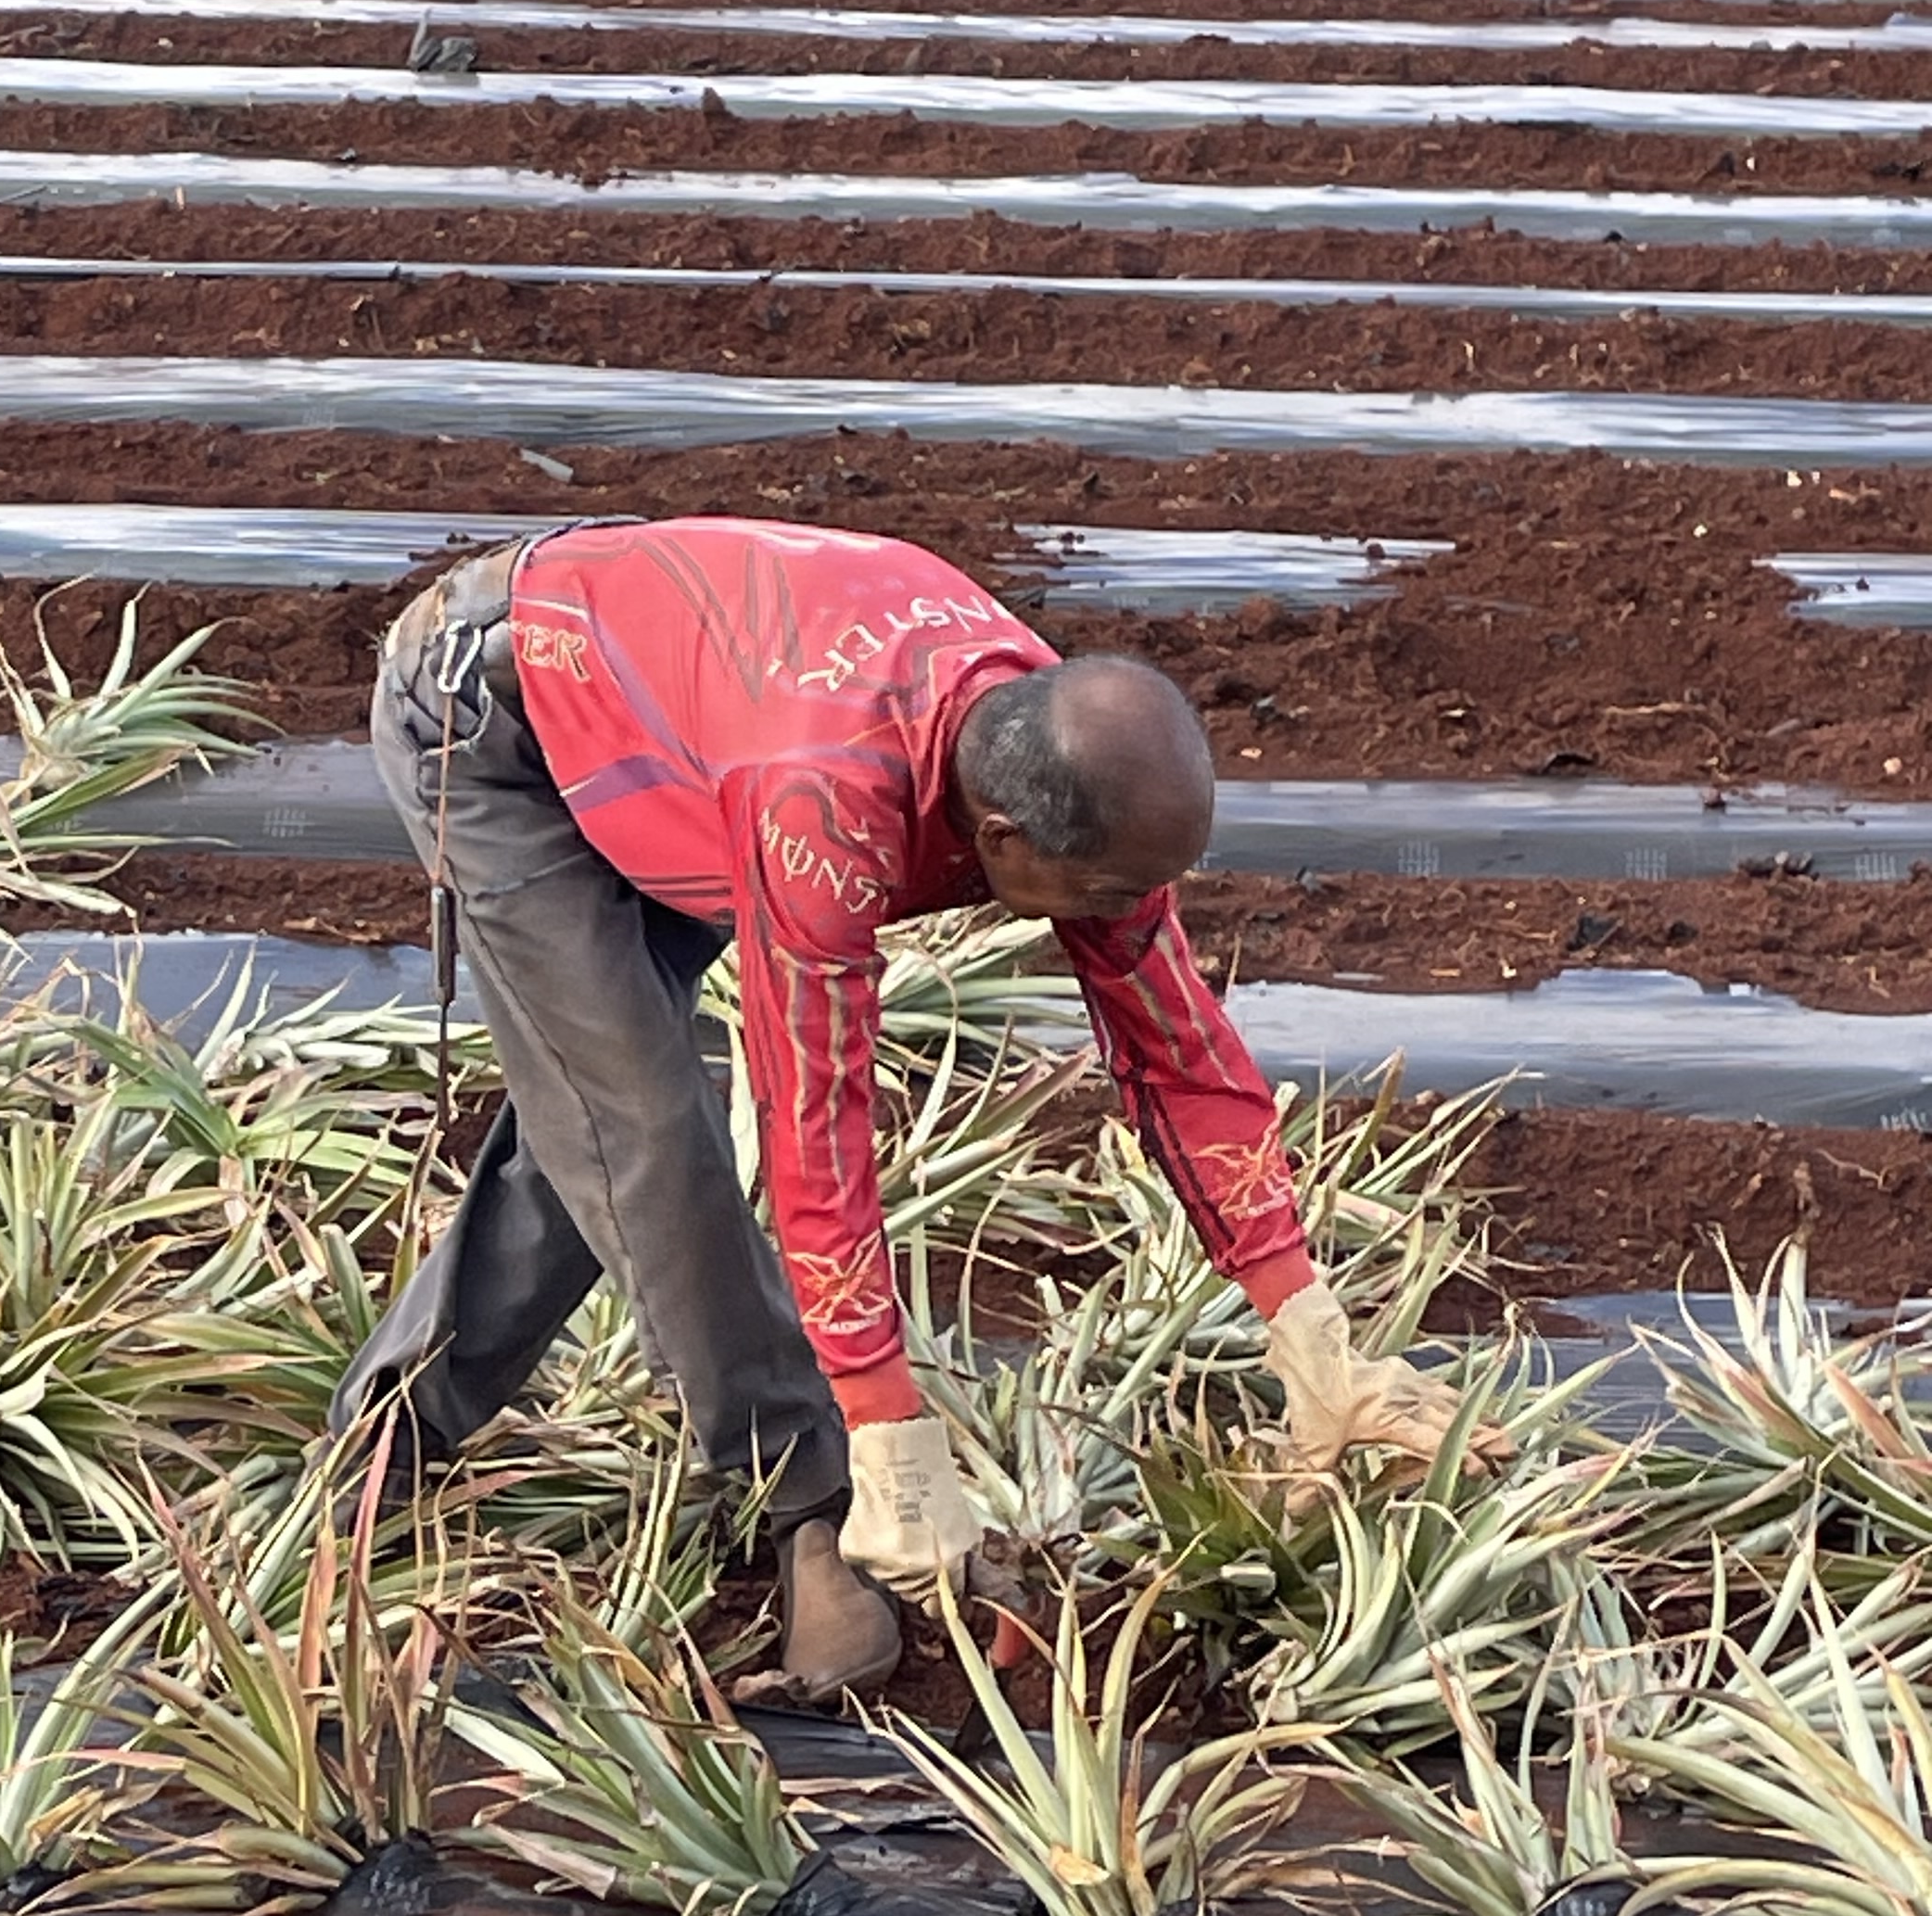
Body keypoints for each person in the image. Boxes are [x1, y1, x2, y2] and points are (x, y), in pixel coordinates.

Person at [332, 514, 1495, 1698]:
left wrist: (1308, 1330)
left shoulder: (1059, 753)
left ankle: (381, 1449)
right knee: (641, 1124)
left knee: (588, 1114)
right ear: (998, 837)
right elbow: (815, 1117)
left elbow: (1180, 1048)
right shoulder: (824, 802)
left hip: (678, 728)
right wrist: (889, 1431)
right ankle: (812, 1504)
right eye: (1102, 892)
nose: (1122, 915)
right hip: (497, 719)